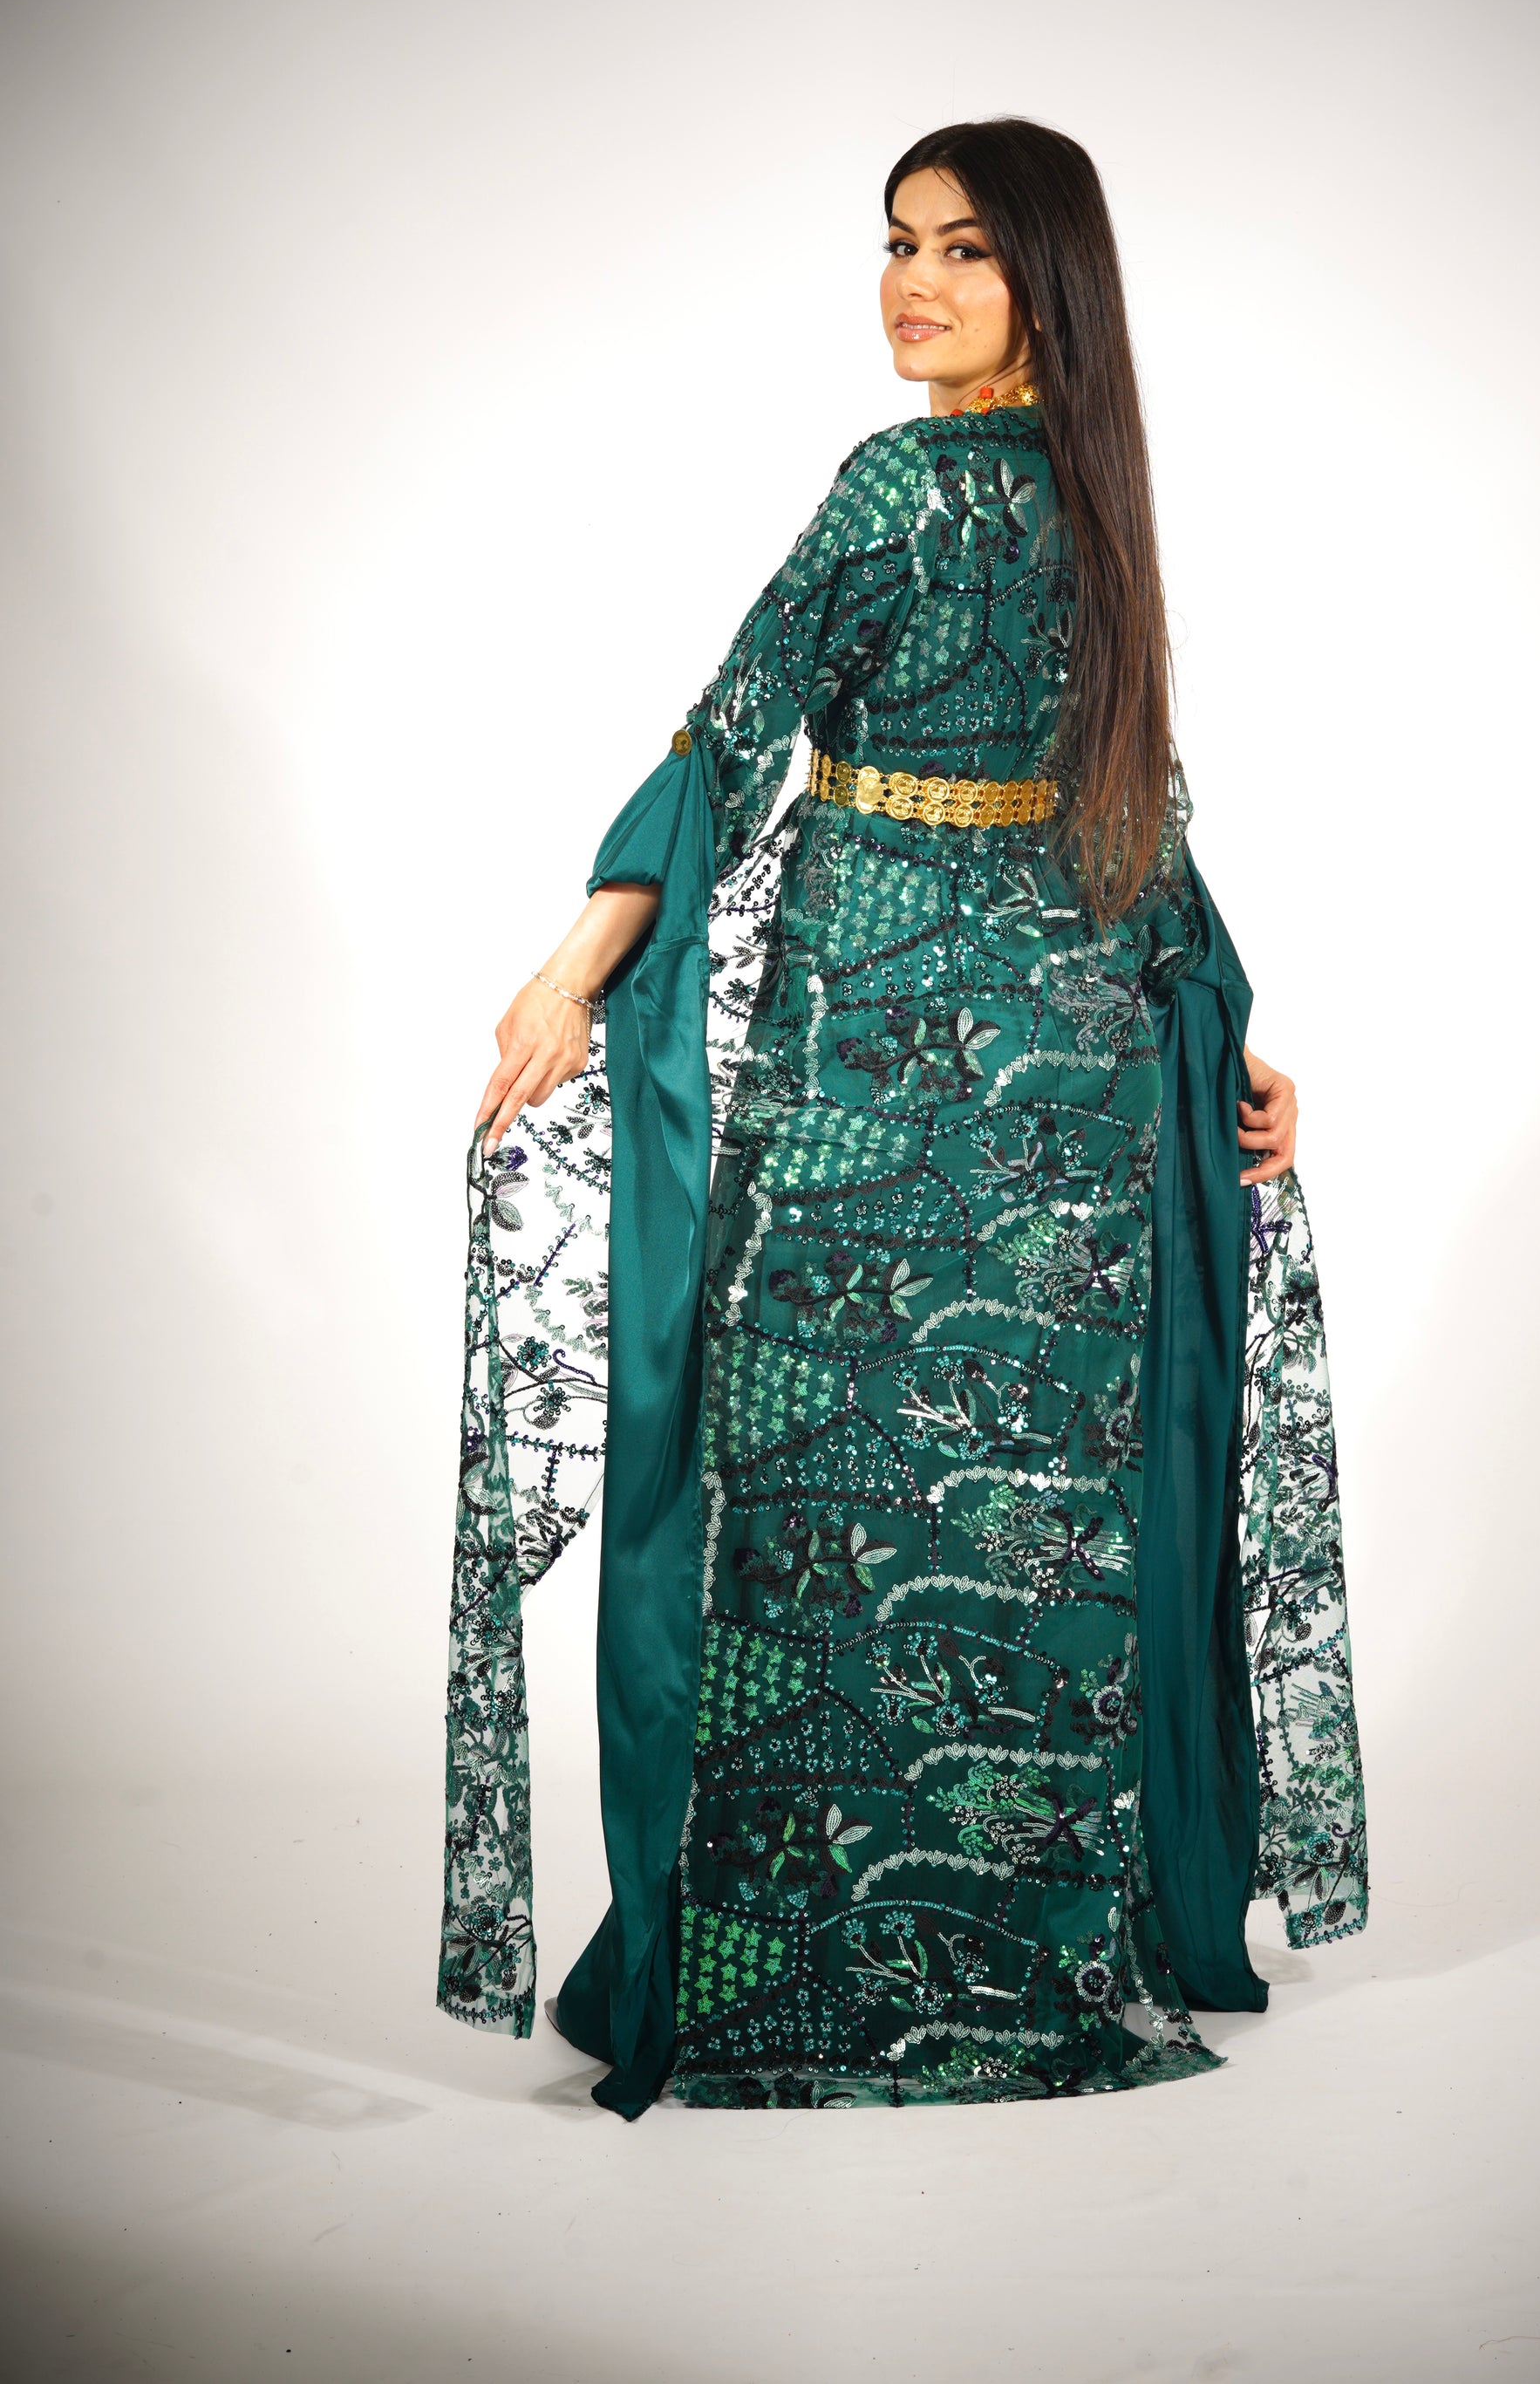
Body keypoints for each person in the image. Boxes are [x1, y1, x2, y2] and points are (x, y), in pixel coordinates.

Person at [438, 118, 1366, 2119]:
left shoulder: (914, 481)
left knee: (827, 1504)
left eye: (961, 248)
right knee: (1010, 1517)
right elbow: (1128, 814)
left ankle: (790, 1981)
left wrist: (574, 968)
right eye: (893, 244)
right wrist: (1213, 1024)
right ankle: (1032, 1961)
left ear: (1047, 280)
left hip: (893, 1060)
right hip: (1058, 1081)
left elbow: (735, 727)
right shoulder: (1088, 502)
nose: (912, 283)